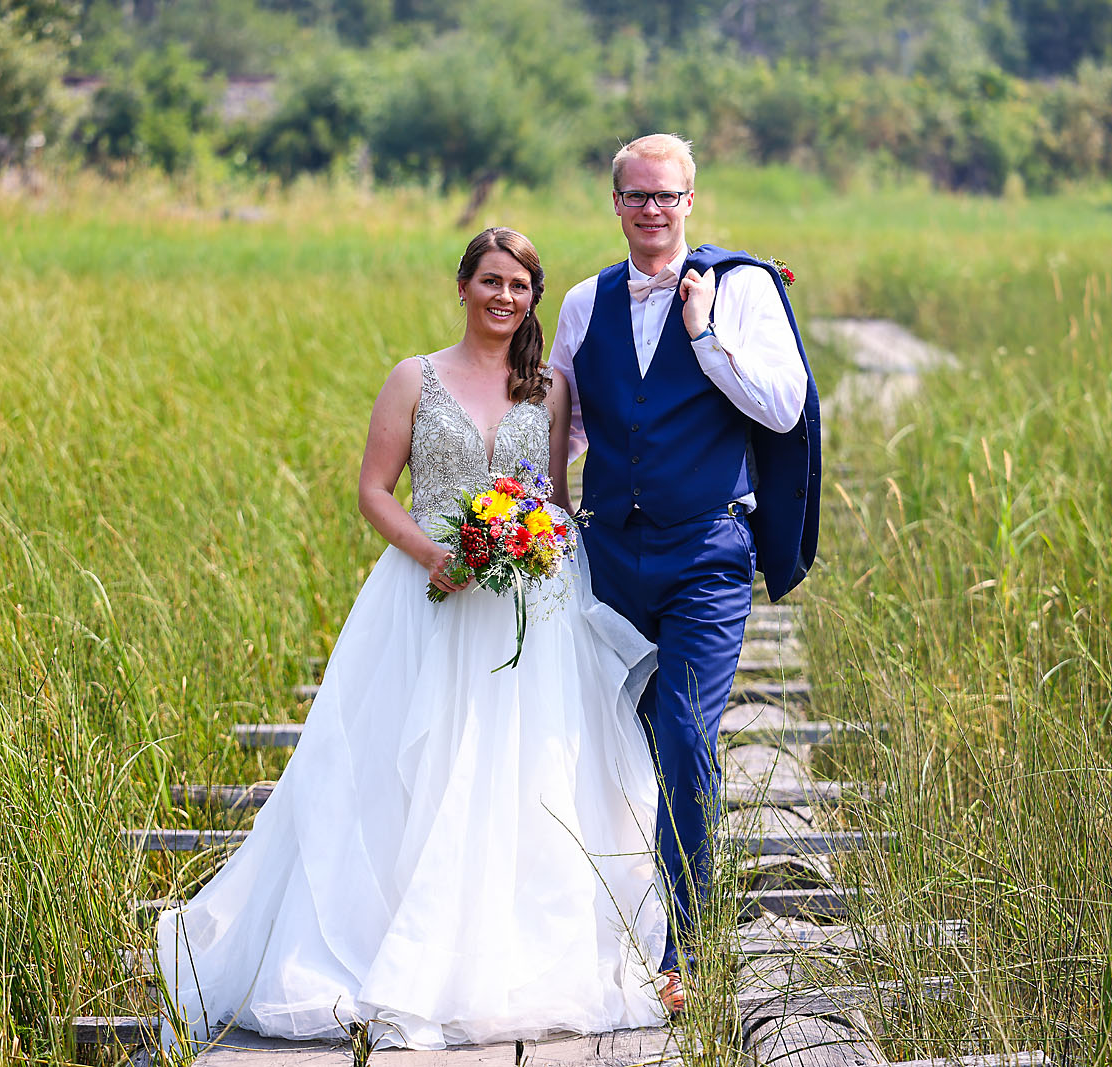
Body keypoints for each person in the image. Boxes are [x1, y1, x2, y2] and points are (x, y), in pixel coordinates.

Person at [157, 228, 668, 1053]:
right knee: (402, 768)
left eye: (520, 286)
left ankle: (504, 955)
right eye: (491, 281)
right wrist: (435, 551)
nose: (505, 297)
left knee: (522, 772)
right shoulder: (414, 378)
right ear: (462, 285)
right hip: (425, 591)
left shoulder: (552, 388)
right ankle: (385, 947)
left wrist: (537, 542)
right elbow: (372, 491)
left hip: (529, 604)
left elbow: (556, 496)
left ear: (535, 298)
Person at [547, 134, 822, 1010]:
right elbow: (574, 417)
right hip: (607, 555)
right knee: (610, 749)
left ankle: (686, 952)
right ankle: (595, 931)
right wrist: (532, 498)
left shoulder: (742, 288)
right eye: (636, 197)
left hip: (707, 550)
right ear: (616, 203)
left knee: (687, 743)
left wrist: (704, 337)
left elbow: (783, 405)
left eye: (666, 196)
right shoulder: (587, 301)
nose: (652, 210)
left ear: (691, 199)